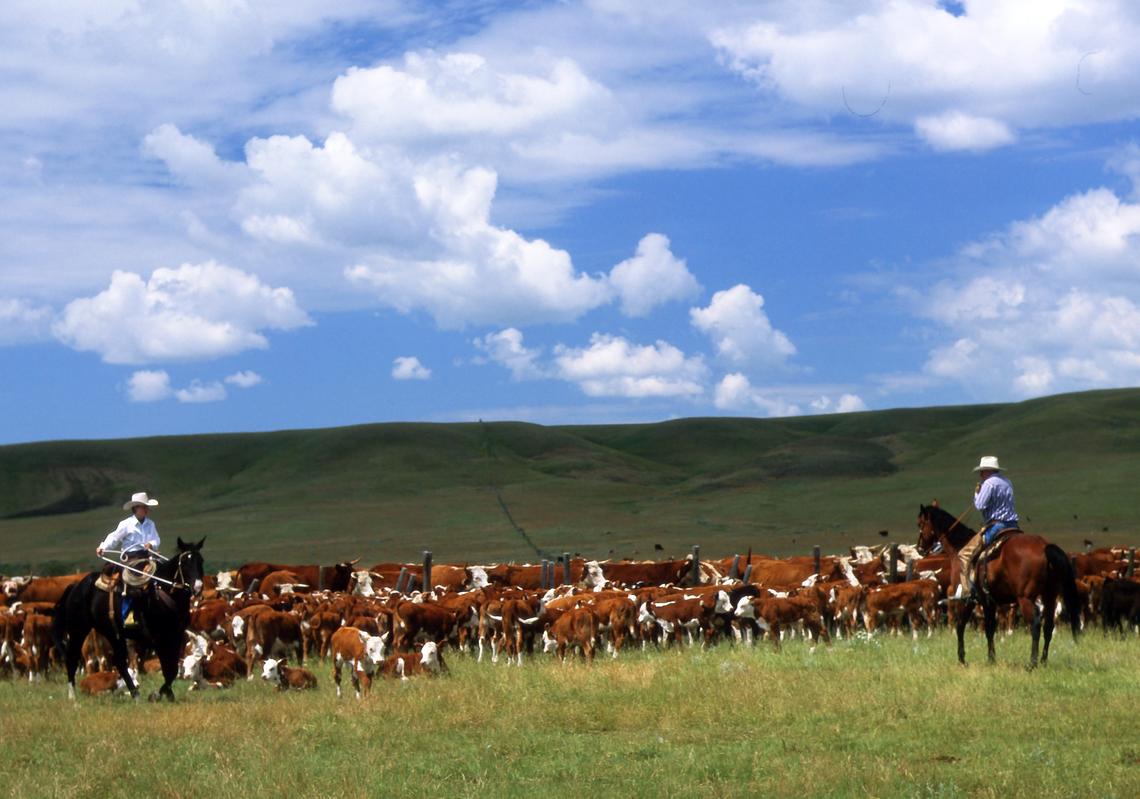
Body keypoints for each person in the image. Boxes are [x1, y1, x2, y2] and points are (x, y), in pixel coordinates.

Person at [955, 456, 1019, 598]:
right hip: (1013, 525)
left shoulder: (989, 484)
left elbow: (980, 505)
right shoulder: (1007, 482)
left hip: (996, 526)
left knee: (964, 554)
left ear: (987, 471)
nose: (980, 475)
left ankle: (967, 592)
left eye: (982, 471)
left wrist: (977, 494)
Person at [96, 492, 161, 626]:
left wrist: (152, 544)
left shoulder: (150, 524)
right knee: (131, 584)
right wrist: (103, 547)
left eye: (146, 507)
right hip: (131, 559)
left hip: (146, 557)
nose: (146, 509)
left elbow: (156, 539)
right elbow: (114, 537)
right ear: (135, 508)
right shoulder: (126, 524)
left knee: (162, 572)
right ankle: (125, 615)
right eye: (143, 507)